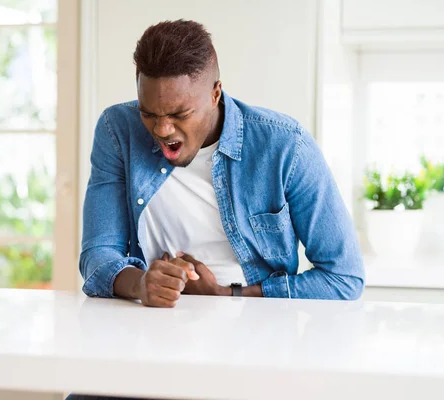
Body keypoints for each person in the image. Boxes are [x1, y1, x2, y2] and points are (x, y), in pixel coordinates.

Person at [79, 19, 365, 309]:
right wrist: (141, 284)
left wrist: (224, 295)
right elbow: (98, 255)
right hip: (153, 324)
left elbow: (343, 277)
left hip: (257, 326)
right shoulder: (118, 129)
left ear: (215, 93)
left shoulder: (286, 145)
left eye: (180, 114)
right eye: (149, 113)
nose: (162, 129)